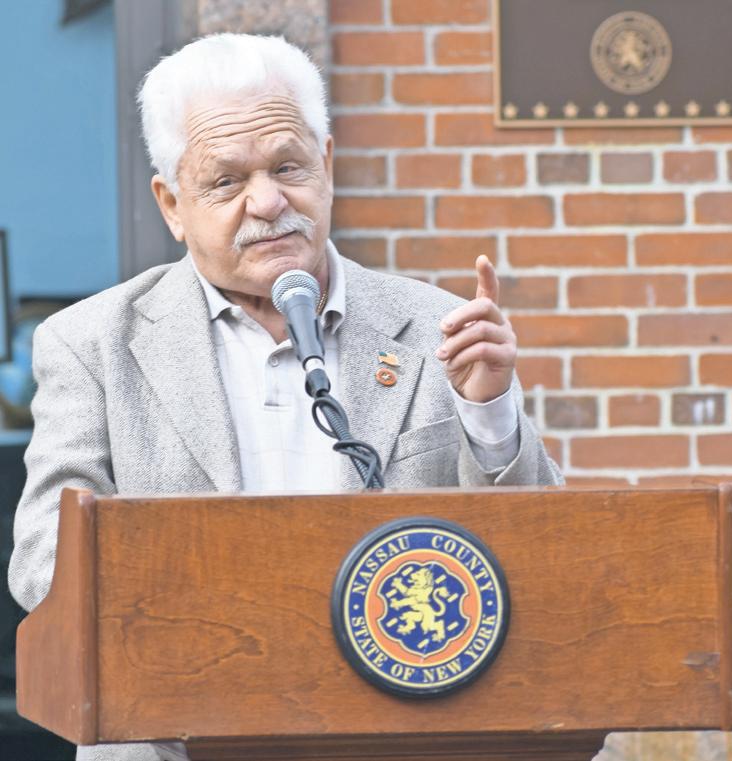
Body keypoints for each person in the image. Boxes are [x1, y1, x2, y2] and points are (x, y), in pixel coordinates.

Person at [9, 33, 562, 761]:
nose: (268, 202)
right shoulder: (91, 343)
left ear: (326, 165)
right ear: (172, 204)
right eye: (226, 181)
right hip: (173, 736)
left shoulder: (441, 328)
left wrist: (488, 412)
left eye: (288, 166)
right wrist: (219, 628)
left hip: (402, 739)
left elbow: (541, 556)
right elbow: (43, 560)